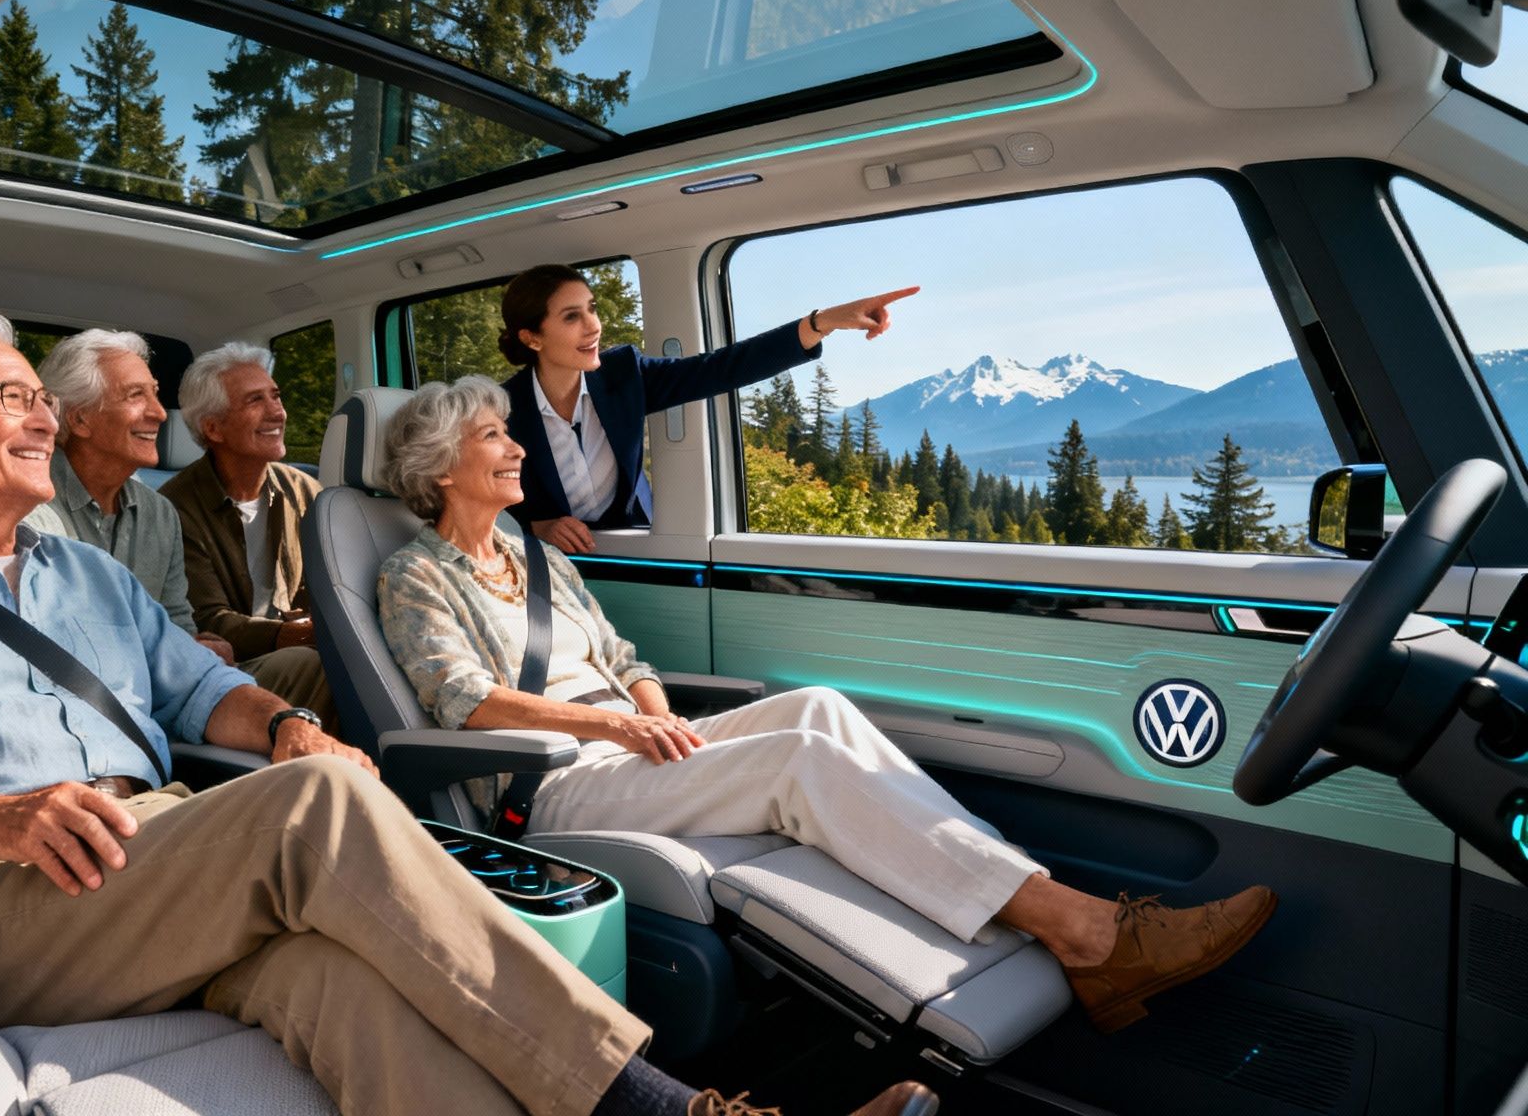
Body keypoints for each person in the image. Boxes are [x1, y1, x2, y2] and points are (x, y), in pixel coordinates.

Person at [0, 309, 910, 1116]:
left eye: (42, 395)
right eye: (11, 396)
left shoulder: (90, 575)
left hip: (146, 868)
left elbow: (203, 692)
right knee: (319, 809)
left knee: (327, 985)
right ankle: (668, 1111)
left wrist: (281, 728)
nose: (42, 414)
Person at [376, 376, 1279, 1034]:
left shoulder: (543, 559)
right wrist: (620, 722)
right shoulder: (413, 574)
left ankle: (1027, 893)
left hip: (632, 738)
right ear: (440, 466)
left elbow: (621, 656)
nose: (518, 447)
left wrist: (654, 707)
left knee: (820, 707)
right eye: (495, 436)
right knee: (796, 763)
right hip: (553, 785)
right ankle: (1086, 932)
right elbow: (461, 701)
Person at [25, 328, 334, 727]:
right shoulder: (31, 510)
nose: (159, 412)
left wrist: (198, 648)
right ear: (80, 418)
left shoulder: (157, 514)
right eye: (137, 396)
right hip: (86, 706)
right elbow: (54, 646)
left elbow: (180, 627)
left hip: (166, 691)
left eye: (155, 393)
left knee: (305, 688)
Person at [496, 263, 918, 554]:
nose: (593, 326)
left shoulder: (625, 374)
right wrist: (535, 527)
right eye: (572, 317)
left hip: (638, 549)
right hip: (546, 562)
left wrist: (821, 322)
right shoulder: (502, 412)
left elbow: (720, 369)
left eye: (592, 308)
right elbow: (468, 504)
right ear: (532, 337)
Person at [162, 344, 320, 661]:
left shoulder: (304, 490)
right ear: (213, 428)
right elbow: (208, 619)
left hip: (301, 650)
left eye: (275, 396)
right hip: (232, 667)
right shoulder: (173, 509)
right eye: (255, 400)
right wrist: (293, 635)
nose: (278, 412)